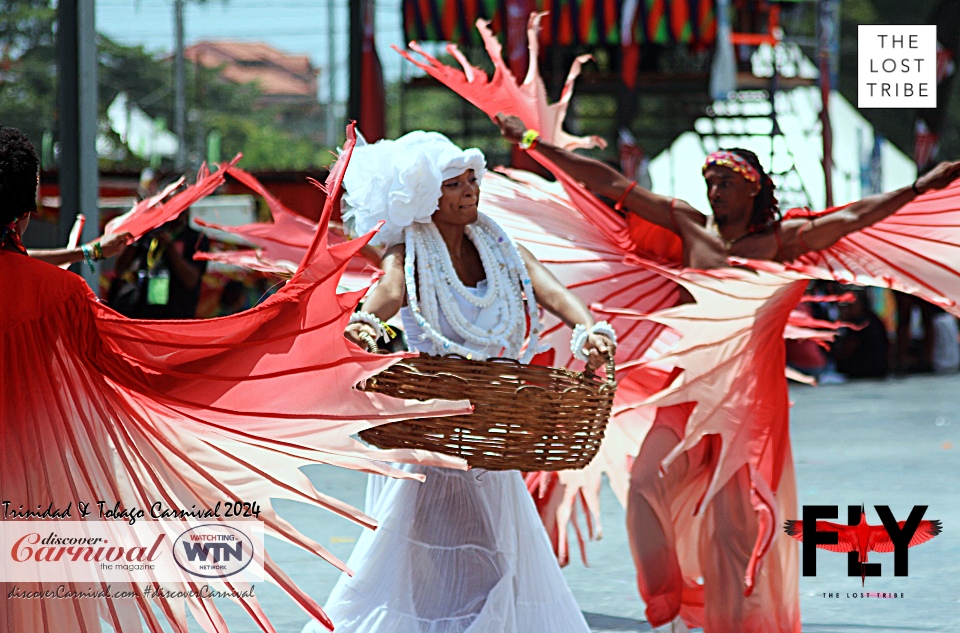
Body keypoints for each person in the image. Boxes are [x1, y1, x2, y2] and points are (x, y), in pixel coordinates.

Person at [495, 113, 960, 633]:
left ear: (753, 188)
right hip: (685, 392)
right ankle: (666, 599)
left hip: (745, 406)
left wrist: (919, 187)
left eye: (725, 182)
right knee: (647, 482)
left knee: (735, 532)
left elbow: (856, 217)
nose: (714, 190)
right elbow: (609, 183)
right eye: (709, 181)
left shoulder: (785, 241)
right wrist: (535, 143)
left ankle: (734, 623)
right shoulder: (691, 226)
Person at [0, 124, 471, 632]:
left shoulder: (63, 289)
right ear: (25, 214)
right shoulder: (59, 297)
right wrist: (260, 334)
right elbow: (145, 368)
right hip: (27, 486)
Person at [303, 131, 615, 633]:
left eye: (472, 179)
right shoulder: (406, 256)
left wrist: (590, 331)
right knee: (445, 566)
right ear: (425, 197)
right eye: (453, 184)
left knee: (476, 564)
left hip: (489, 437)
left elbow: (552, 290)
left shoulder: (501, 248)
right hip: (431, 439)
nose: (470, 190)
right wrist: (365, 322)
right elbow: (387, 293)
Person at [109, 211, 208, 318]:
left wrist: (169, 247)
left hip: (177, 314)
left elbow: (191, 280)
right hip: (144, 312)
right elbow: (120, 270)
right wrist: (136, 236)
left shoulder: (196, 238)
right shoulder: (149, 234)